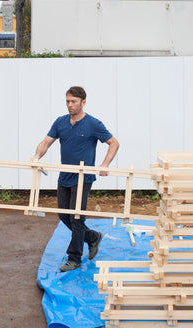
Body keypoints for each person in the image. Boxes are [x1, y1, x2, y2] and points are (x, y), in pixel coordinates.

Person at [33, 86, 119, 272]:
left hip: (83, 177)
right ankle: (92, 237)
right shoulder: (61, 122)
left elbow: (114, 143)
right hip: (65, 175)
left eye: (73, 101)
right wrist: (36, 157)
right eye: (67, 101)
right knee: (63, 215)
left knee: (76, 217)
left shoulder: (93, 124)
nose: (70, 105)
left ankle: (74, 258)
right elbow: (46, 142)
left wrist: (105, 164)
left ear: (83, 102)